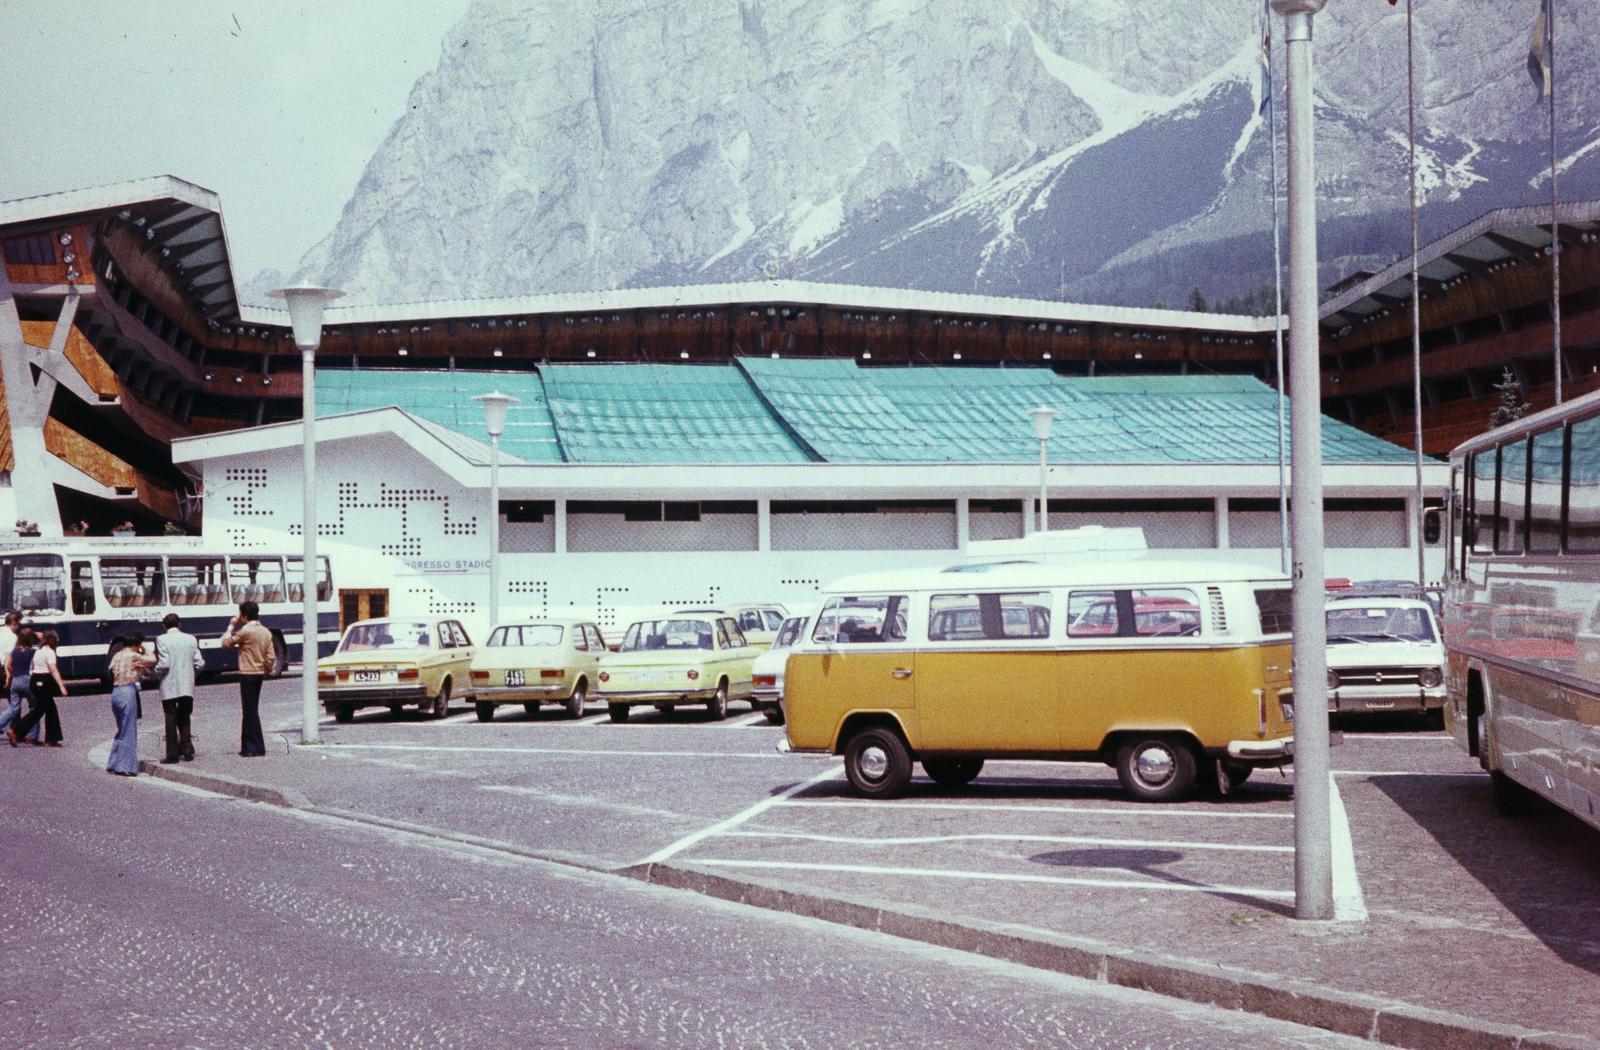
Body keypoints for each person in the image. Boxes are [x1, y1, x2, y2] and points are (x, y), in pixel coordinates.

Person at [220, 600, 272, 757]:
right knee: (253, 708)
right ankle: (256, 746)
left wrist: (231, 625)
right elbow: (270, 657)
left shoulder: (245, 631)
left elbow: (225, 643)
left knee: (249, 710)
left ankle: (251, 747)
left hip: (247, 673)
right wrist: (266, 670)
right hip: (259, 674)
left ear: (244, 615)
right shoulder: (266, 632)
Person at [153, 613, 206, 763]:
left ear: (164, 625)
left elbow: (164, 663)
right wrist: (192, 675)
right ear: (180, 624)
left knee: (170, 718)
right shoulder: (190, 639)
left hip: (169, 685)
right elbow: (200, 663)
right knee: (185, 717)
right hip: (186, 685)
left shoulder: (161, 639)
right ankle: (187, 750)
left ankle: (172, 754)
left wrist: (154, 673)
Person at [106, 633, 154, 776]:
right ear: (136, 645)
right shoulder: (133, 655)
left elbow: (111, 671)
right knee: (129, 730)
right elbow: (152, 660)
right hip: (128, 691)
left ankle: (114, 762)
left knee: (121, 728)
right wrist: (147, 648)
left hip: (116, 692)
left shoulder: (117, 655)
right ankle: (125, 766)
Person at [8, 629, 66, 747]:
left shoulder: (38, 651)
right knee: (39, 711)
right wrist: (61, 686)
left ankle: (51, 739)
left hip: (34, 680)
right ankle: (16, 730)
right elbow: (53, 669)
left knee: (50, 710)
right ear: (53, 641)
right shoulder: (50, 652)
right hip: (44, 681)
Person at [0, 627, 36, 740]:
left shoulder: (14, 651)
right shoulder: (33, 651)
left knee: (13, 708)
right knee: (34, 708)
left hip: (15, 680)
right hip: (28, 680)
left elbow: (9, 664)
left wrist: (11, 674)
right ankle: (31, 736)